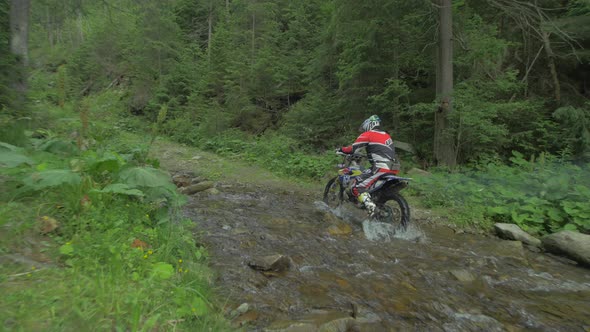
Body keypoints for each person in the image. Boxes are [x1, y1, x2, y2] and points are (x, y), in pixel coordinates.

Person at [339, 115, 399, 216]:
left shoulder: (368, 134)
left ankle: (370, 205)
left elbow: (352, 149)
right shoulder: (386, 135)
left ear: (369, 124)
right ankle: (374, 203)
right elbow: (381, 151)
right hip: (393, 168)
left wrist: (341, 149)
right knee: (368, 178)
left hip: (381, 168)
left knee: (356, 186)